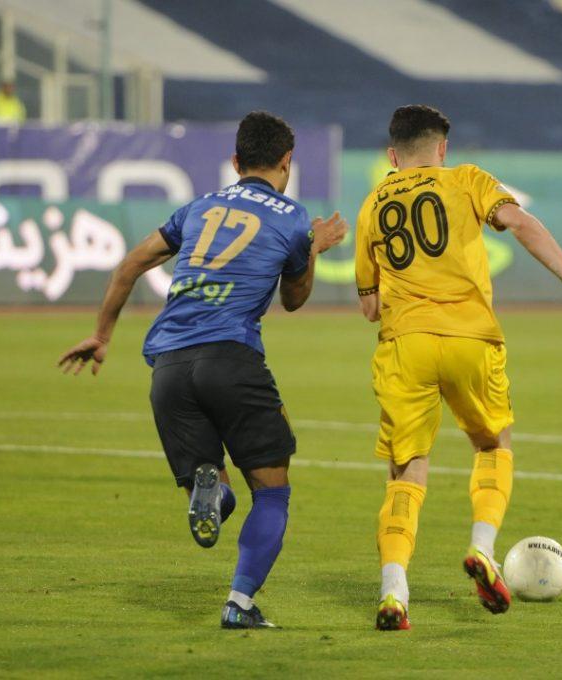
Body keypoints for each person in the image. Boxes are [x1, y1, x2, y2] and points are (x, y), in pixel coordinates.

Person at [57, 111, 348, 629]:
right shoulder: (292, 217)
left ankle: (212, 490)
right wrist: (313, 248)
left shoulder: (199, 207)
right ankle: (239, 604)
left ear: (235, 161)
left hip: (168, 368)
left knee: (210, 483)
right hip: (232, 359)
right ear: (287, 161)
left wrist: (101, 336)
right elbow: (294, 299)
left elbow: (130, 265)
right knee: (273, 492)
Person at [354, 105, 562, 631]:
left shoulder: (372, 204)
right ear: (442, 149)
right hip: (471, 338)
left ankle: (394, 594)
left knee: (405, 471)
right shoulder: (467, 179)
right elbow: (520, 223)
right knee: (492, 445)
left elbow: (370, 306)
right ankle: (482, 548)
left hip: (405, 345)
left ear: (392, 156)